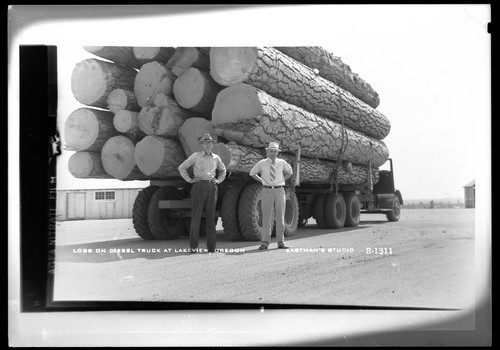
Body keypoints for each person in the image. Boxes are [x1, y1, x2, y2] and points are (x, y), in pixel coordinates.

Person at [178, 134, 226, 253]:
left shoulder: (216, 158)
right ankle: (193, 247)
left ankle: (211, 247)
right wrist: (189, 180)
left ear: (212, 144)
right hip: (198, 186)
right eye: (206, 143)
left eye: (210, 143)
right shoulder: (196, 156)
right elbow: (182, 168)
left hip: (212, 187)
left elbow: (223, 170)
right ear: (202, 145)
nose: (208, 145)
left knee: (211, 217)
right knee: (196, 217)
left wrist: (219, 180)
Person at [249, 142, 293, 250]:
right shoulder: (262, 163)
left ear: (277, 152)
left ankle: (281, 242)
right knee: (267, 217)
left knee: (280, 217)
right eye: (271, 151)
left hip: (279, 190)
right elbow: (252, 173)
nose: (272, 153)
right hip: (267, 190)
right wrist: (262, 180)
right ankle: (265, 242)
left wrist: (282, 179)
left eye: (274, 151)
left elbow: (290, 172)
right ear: (267, 151)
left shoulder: (282, 163)